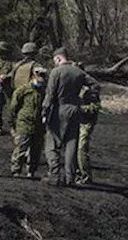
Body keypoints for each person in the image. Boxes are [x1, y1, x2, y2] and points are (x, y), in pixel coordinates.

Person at [41, 47, 100, 186]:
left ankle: (54, 174)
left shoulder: (56, 72)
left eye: (55, 60)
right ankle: (70, 178)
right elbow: (95, 85)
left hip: (59, 109)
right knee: (71, 143)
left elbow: (50, 95)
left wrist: (44, 112)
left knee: (52, 143)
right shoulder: (78, 71)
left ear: (59, 58)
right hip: (75, 109)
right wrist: (88, 96)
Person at [9, 65, 48, 178]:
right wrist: (13, 123)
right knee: (21, 147)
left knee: (36, 149)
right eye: (38, 75)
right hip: (24, 123)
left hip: (39, 124)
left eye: (43, 76)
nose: (40, 78)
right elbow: (13, 107)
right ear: (33, 76)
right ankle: (16, 170)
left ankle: (31, 171)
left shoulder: (44, 91)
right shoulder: (23, 90)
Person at [76, 78, 102, 185]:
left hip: (86, 123)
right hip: (77, 121)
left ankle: (85, 176)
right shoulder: (74, 87)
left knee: (82, 148)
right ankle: (77, 174)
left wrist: (80, 109)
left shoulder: (91, 90)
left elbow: (95, 107)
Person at [0, 41, 16, 135]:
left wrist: (6, 76)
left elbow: (14, 71)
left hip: (8, 87)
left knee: (11, 107)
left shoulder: (11, 61)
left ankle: (12, 126)